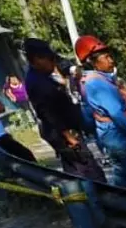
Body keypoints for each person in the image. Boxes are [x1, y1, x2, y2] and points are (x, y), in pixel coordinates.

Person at [23, 38, 105, 181]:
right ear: (37, 60)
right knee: (86, 170)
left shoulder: (42, 75)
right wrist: (68, 136)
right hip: (64, 134)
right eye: (50, 60)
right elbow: (48, 113)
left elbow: (63, 63)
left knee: (76, 169)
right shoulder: (37, 83)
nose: (54, 63)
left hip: (68, 129)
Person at [75, 35, 126, 190]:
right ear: (91, 61)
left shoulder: (87, 80)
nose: (111, 60)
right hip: (120, 135)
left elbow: (87, 115)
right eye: (106, 57)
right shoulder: (98, 83)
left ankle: (120, 205)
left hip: (108, 134)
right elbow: (117, 113)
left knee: (121, 174)